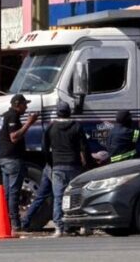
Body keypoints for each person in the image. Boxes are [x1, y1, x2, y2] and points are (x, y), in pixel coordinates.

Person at [44, 101, 88, 237]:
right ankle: (80, 225)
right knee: (76, 196)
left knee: (58, 197)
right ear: (69, 112)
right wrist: (85, 162)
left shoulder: (51, 127)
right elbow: (83, 147)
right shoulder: (76, 126)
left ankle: (59, 227)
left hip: (58, 166)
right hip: (74, 166)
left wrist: (51, 163)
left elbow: (45, 148)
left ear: (57, 112)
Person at [0, 94, 38, 231]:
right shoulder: (12, 116)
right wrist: (29, 123)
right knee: (14, 192)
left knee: (8, 192)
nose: (26, 107)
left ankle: (6, 221)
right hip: (12, 159)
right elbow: (14, 137)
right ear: (17, 104)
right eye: (24, 104)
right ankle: (15, 222)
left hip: (4, 158)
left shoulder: (5, 115)